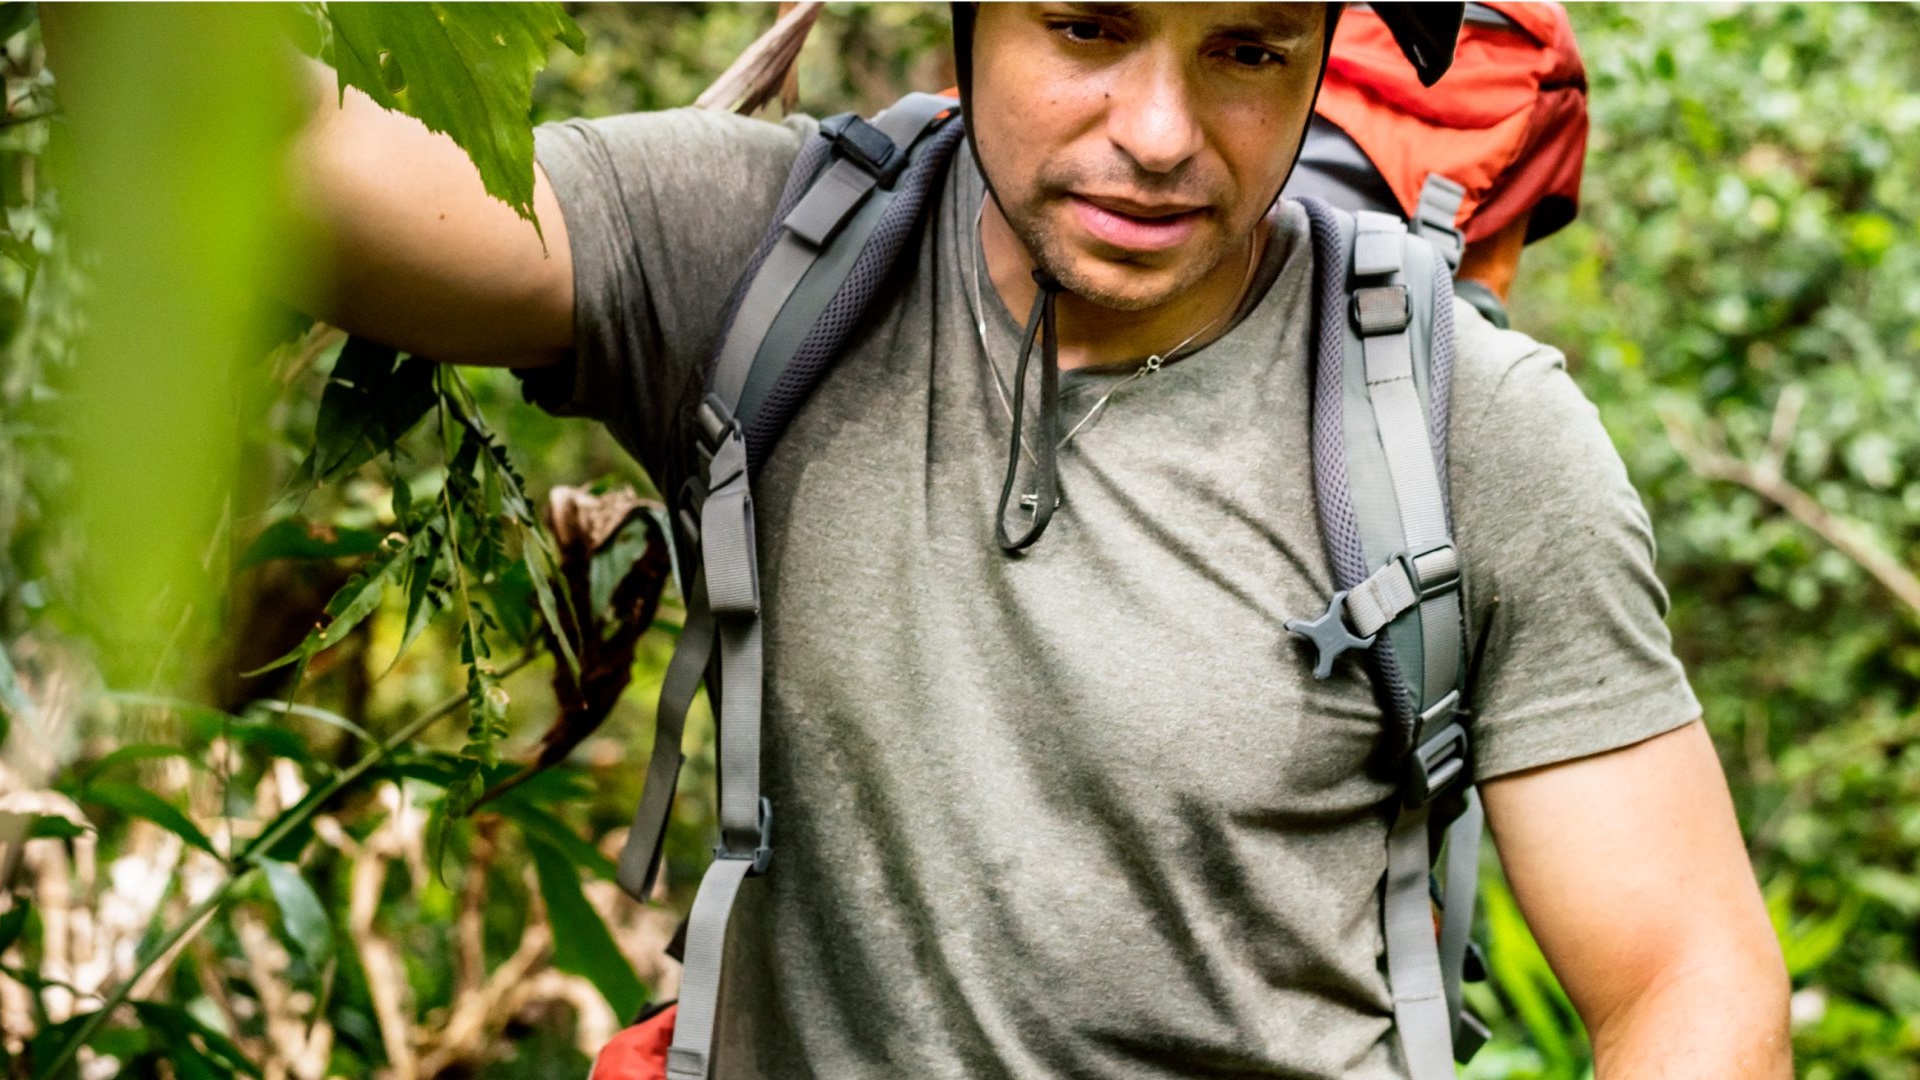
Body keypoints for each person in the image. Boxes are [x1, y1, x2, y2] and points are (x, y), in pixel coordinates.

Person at [285, 4, 1790, 1077]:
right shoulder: (762, 257)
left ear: (1327, 51)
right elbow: (306, 177)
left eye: (1250, 49)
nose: (1158, 134)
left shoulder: (1468, 425)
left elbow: (1688, 982)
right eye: (1086, 28)